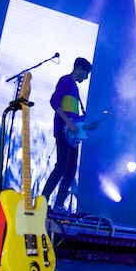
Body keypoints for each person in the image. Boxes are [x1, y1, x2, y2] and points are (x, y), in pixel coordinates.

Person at [42, 57, 92, 214]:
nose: (86, 77)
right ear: (79, 69)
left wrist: (86, 125)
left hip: (72, 136)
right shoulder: (65, 81)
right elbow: (54, 101)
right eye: (86, 73)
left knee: (71, 169)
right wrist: (68, 123)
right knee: (61, 167)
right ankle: (43, 201)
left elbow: (75, 118)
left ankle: (58, 205)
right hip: (63, 131)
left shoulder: (76, 89)